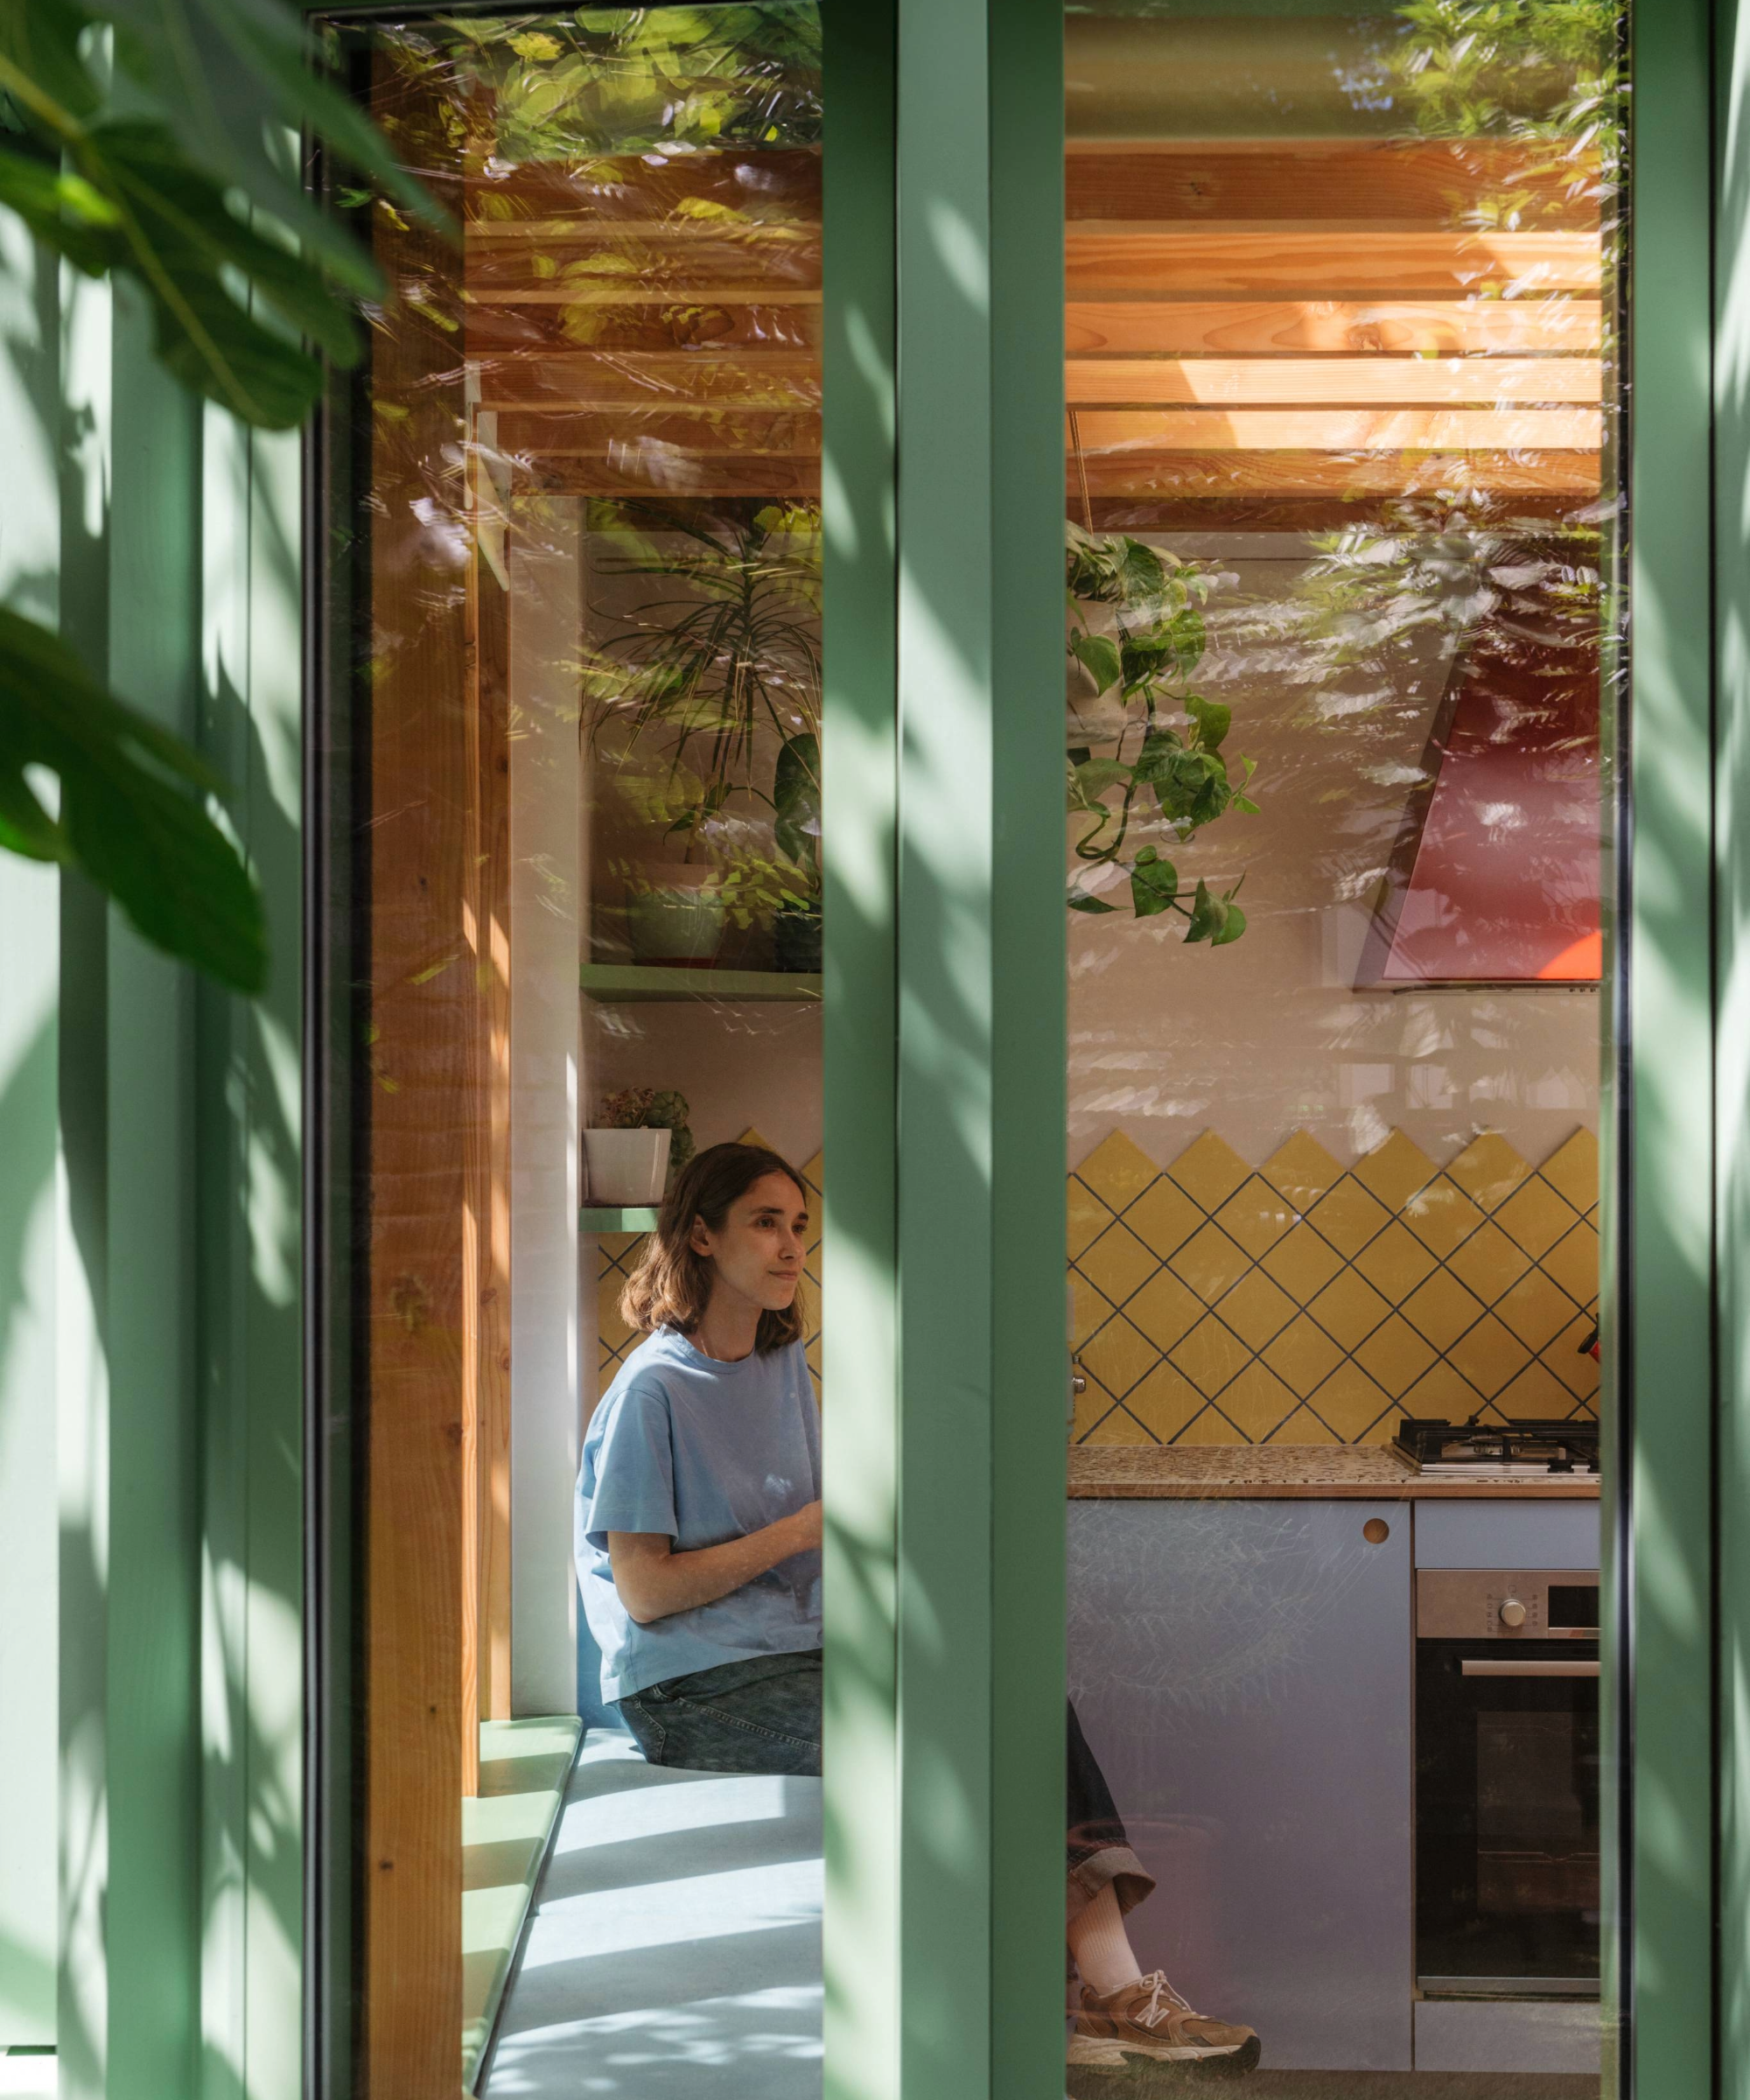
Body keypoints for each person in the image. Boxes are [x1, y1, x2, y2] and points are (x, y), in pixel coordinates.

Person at [577, 1140, 1258, 2073]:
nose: (789, 1248)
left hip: (791, 1657)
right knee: (947, 1754)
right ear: (699, 1234)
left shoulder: (775, 1368)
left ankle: (1109, 1994)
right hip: (691, 1691)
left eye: (798, 1227)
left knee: (1020, 1702)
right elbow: (647, 1593)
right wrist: (799, 1532)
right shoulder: (651, 1388)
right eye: (763, 1223)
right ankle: (1056, 2012)